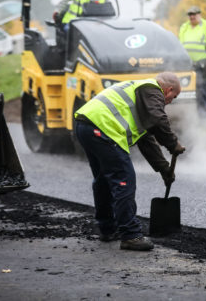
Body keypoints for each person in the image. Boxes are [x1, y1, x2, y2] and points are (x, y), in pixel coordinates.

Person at [74, 72, 185, 251]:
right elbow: (158, 119)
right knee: (124, 179)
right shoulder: (152, 89)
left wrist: (164, 169)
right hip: (104, 128)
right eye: (174, 96)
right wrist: (173, 144)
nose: (171, 101)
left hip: (85, 125)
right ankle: (130, 235)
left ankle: (108, 228)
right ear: (168, 89)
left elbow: (146, 140)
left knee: (103, 180)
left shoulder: (140, 94)